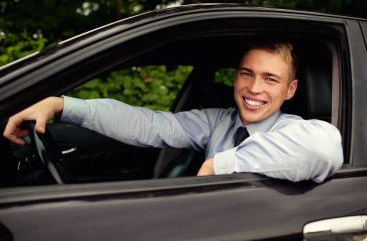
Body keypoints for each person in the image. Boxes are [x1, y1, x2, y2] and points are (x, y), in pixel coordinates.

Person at [3, 41, 343, 183]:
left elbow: (323, 149)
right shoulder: (218, 121)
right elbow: (149, 125)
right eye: (246, 73)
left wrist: (217, 165)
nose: (254, 89)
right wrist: (62, 104)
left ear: (290, 90)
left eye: (270, 79)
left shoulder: (294, 130)